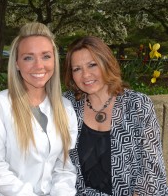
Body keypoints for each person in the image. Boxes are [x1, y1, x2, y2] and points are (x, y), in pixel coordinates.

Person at [63, 36, 168, 195]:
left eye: (92, 65)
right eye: (77, 69)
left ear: (106, 63)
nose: (85, 75)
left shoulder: (138, 104)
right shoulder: (66, 105)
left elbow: (152, 172)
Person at [0, 22, 78, 195]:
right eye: (28, 57)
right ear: (17, 63)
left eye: (46, 56)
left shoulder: (65, 107)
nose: (39, 65)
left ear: (55, 61)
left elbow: (64, 167)